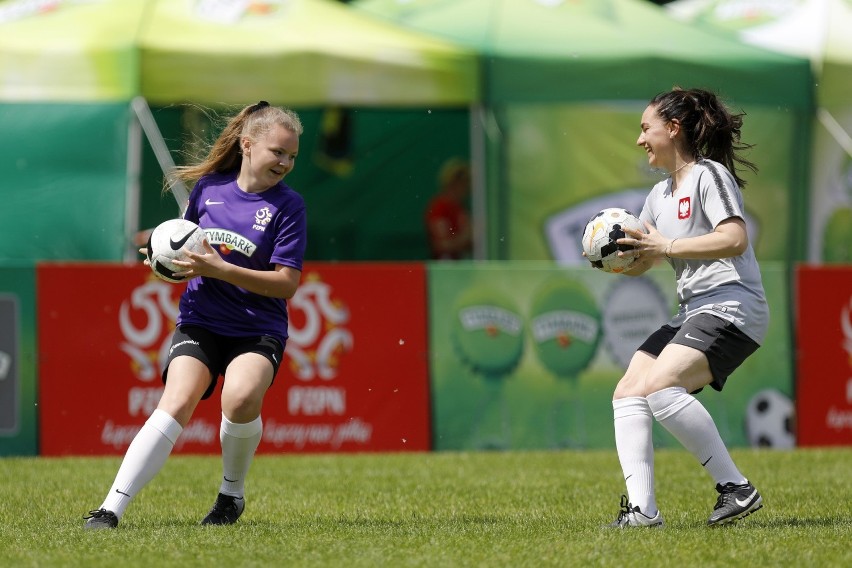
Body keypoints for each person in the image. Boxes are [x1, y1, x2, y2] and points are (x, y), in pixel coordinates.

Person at [84, 101, 306, 529]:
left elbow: (287, 284)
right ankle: (109, 509)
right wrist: (161, 257)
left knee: (240, 398)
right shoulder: (208, 189)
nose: (285, 162)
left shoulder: (289, 206)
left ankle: (230, 496)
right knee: (177, 401)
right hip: (201, 318)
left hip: (257, 328)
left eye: (292, 155)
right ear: (247, 145)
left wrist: (219, 268)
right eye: (278, 151)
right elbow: (183, 245)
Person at [605, 87, 768, 528]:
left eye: (646, 128)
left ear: (672, 129)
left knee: (660, 386)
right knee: (629, 390)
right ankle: (642, 512)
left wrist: (667, 244)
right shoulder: (658, 196)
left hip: (734, 304)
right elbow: (650, 258)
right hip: (696, 309)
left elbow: (735, 239)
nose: (640, 139)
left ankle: (735, 488)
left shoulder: (707, 175)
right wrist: (619, 259)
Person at [425, 158, 473, 260]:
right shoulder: (439, 207)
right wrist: (467, 235)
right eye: (463, 182)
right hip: (445, 266)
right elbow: (442, 245)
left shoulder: (461, 207)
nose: (466, 187)